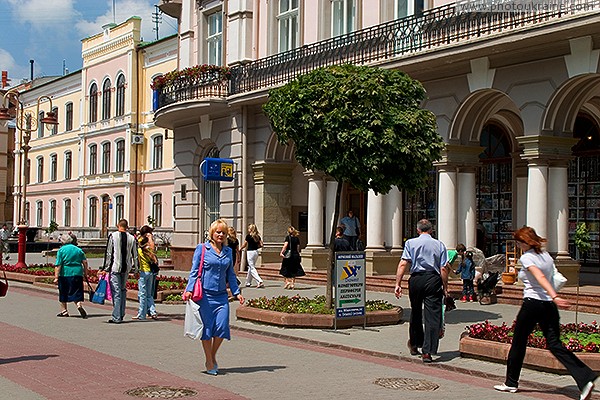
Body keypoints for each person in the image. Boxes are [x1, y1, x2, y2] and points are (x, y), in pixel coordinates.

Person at [494, 227, 598, 399]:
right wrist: (553, 298)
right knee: (554, 344)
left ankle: (511, 383)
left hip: (533, 304)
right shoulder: (546, 256)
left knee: (519, 342)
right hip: (548, 306)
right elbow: (549, 276)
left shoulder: (527, 257)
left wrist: (555, 296)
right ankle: (586, 378)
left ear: (525, 242)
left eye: (519, 243)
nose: (518, 246)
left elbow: (541, 277)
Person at [183, 219, 244, 376]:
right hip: (205, 296)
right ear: (212, 233)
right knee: (208, 329)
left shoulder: (228, 251)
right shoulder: (202, 249)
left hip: (222, 296)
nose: (220, 235)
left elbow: (231, 274)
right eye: (218, 232)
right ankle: (209, 360)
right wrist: (189, 289)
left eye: (223, 232)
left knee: (222, 327)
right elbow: (194, 271)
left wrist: (237, 292)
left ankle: (212, 355)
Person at [394, 219, 449, 363]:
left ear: (418, 230)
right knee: (432, 315)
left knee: (416, 312)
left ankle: (414, 344)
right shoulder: (439, 245)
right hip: (433, 279)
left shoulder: (410, 243)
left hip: (416, 280)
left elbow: (403, 264)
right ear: (431, 230)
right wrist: (445, 287)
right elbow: (443, 268)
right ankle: (427, 352)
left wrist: (397, 284)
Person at [99, 219, 139, 324]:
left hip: (115, 268)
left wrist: (105, 268)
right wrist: (136, 269)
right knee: (122, 290)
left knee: (116, 292)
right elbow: (135, 255)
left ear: (118, 225)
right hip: (126, 268)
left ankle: (116, 317)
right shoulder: (132, 238)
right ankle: (121, 314)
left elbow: (109, 253)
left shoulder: (113, 236)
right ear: (127, 227)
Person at [53, 234, 89, 318]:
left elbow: (58, 265)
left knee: (63, 291)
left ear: (62, 242)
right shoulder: (78, 250)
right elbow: (85, 262)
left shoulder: (61, 250)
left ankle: (64, 311)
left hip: (65, 273)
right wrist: (85, 273)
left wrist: (56, 277)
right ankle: (79, 305)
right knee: (76, 291)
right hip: (77, 273)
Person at [133, 225, 158, 320]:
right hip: (150, 273)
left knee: (142, 294)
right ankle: (153, 312)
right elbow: (152, 247)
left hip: (143, 272)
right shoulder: (149, 252)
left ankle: (141, 314)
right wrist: (150, 238)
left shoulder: (139, 251)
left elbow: (138, 243)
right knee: (149, 294)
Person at [240, 224, 264, 288]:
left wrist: (240, 248)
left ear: (250, 229)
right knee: (250, 267)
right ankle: (248, 282)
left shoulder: (248, 236)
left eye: (248, 229)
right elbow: (261, 244)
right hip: (256, 252)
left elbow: (245, 244)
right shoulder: (257, 236)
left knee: (252, 267)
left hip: (250, 252)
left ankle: (259, 281)